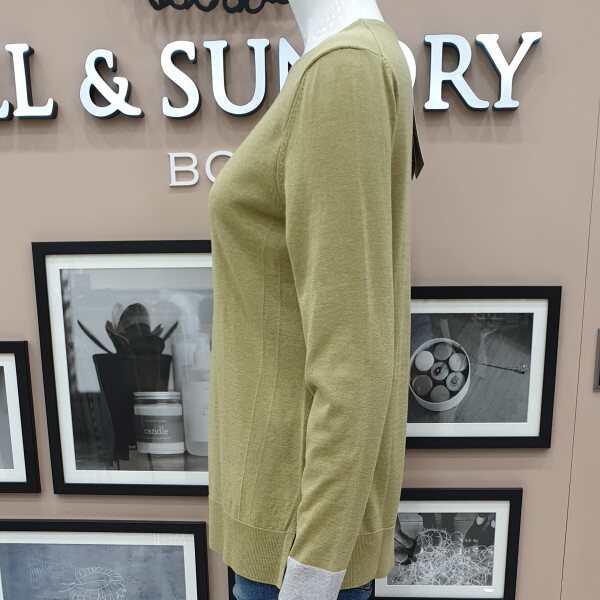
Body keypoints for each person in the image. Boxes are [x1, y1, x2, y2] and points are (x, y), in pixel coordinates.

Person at [207, 1, 424, 598]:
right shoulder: (358, 60)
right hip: (282, 524)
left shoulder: (345, 69)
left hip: (294, 542)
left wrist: (311, 576)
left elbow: (353, 363)